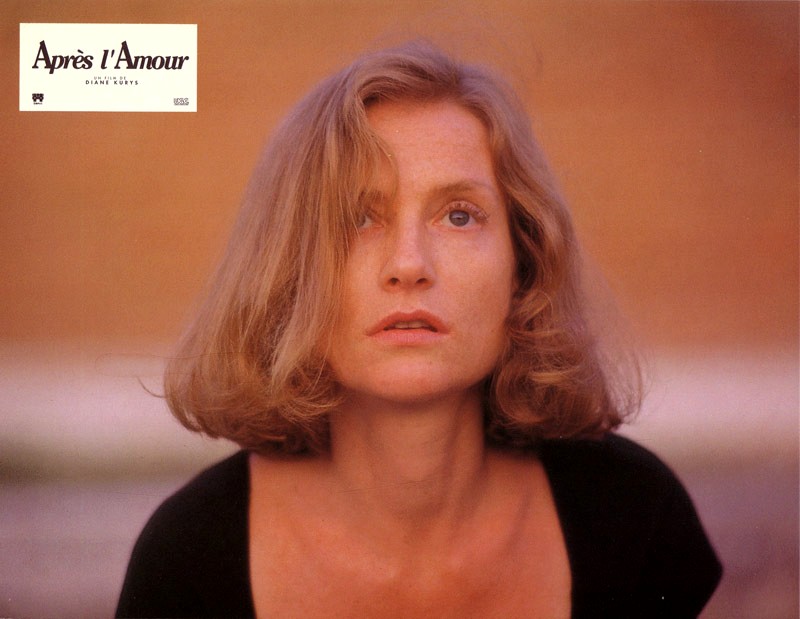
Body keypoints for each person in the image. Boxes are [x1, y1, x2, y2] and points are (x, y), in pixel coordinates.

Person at [116, 41, 721, 618]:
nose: (409, 265)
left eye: (459, 216)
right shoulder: (188, 560)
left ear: (524, 264)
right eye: (358, 218)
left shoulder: (634, 517)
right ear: (290, 272)